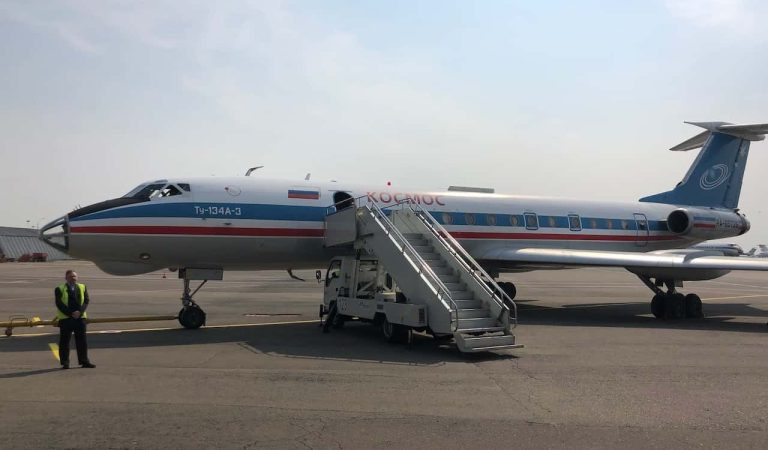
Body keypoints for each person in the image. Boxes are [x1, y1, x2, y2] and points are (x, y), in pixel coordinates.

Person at [55, 270, 95, 369]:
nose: (73, 278)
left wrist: (79, 312)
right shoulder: (59, 289)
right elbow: (59, 304)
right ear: (66, 278)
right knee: (64, 342)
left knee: (82, 341)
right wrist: (70, 313)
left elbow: (86, 300)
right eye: (70, 276)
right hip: (66, 319)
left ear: (77, 277)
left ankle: (84, 361)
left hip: (80, 318)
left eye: (74, 276)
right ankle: (65, 362)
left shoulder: (82, 287)